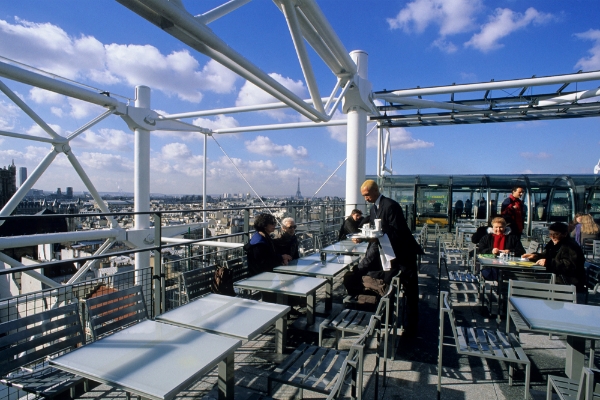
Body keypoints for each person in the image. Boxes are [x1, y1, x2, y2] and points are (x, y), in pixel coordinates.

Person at [344, 180, 423, 337]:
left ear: (375, 191)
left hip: (404, 254)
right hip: (390, 255)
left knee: (410, 290)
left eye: (366, 195)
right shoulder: (375, 209)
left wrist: (373, 239)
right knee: (394, 284)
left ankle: (411, 327)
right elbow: (376, 233)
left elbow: (399, 232)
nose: (365, 198)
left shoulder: (390, 206)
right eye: (363, 196)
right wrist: (365, 238)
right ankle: (392, 317)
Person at [522, 222, 587, 303]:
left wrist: (548, 262)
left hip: (567, 282)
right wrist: (535, 256)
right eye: (550, 234)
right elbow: (546, 255)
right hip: (558, 279)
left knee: (530, 286)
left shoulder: (570, 246)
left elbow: (569, 265)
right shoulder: (554, 244)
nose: (552, 237)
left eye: (556, 234)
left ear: (565, 234)